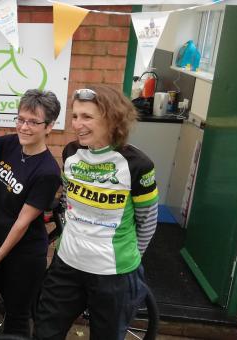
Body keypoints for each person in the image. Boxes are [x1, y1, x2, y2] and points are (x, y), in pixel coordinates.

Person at [34, 85, 159, 340]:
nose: (78, 124)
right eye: (76, 116)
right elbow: (69, 197)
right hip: (66, 265)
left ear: (112, 119)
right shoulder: (71, 152)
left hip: (114, 276)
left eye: (87, 117)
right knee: (45, 333)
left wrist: (127, 261)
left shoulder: (138, 165)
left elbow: (147, 222)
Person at [0, 89, 61, 337]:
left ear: (49, 126)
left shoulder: (48, 171)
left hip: (21, 256)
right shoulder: (11, 144)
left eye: (33, 122)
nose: (24, 127)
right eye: (20, 119)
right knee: (6, 307)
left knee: (17, 317)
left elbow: (22, 223)